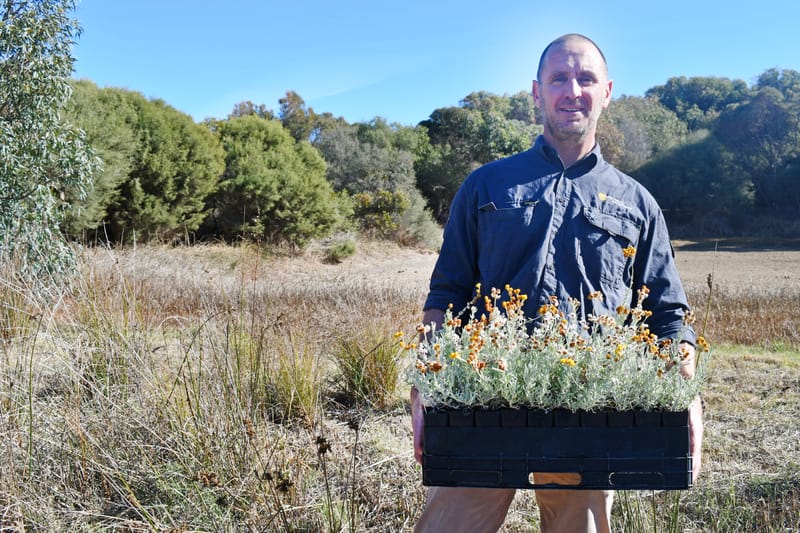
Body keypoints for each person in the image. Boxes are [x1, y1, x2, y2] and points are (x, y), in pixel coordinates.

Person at [411, 33, 703, 533]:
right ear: (536, 92)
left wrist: (687, 395)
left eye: (586, 78)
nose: (573, 90)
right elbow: (447, 294)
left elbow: (668, 314)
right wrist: (426, 383)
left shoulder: (637, 203)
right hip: (483, 401)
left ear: (606, 91)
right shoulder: (486, 185)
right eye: (559, 78)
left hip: (591, 408)